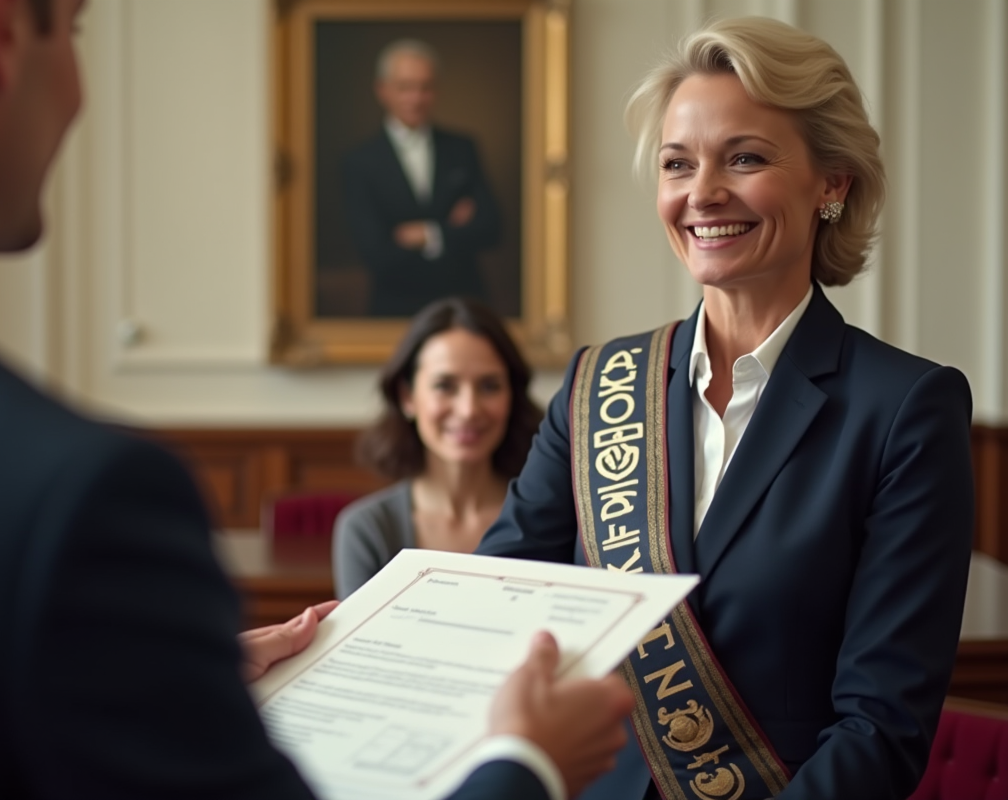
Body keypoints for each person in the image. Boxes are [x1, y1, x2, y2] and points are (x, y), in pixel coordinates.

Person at [0, 1, 638, 798]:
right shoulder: (74, 494)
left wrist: (141, 682)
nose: (79, 92)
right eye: (76, 28)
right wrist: (523, 766)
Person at [477, 16, 974, 800]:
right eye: (679, 164)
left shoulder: (905, 409)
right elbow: (494, 613)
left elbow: (881, 729)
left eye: (744, 158)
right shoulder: (597, 384)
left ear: (832, 184)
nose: (702, 193)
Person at [333, 297, 542, 598]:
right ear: (407, 396)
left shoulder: (544, 517)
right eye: (445, 386)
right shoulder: (368, 529)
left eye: (489, 386)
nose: (469, 409)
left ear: (512, 396)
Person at [342, 39, 500, 317]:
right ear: (382, 90)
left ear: (436, 90)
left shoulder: (462, 148)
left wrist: (425, 234)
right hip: (394, 310)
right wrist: (451, 229)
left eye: (425, 87)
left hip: (465, 306)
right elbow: (376, 254)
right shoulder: (359, 162)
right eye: (405, 87)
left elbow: (492, 229)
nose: (416, 98)